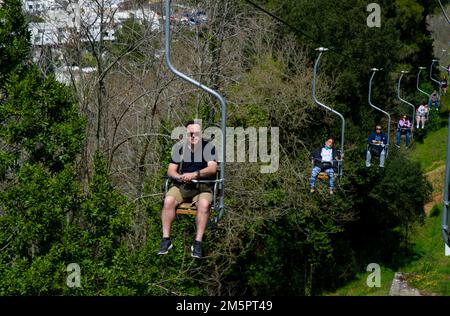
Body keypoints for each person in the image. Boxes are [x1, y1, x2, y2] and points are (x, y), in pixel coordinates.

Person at [157, 120, 218, 259]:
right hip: (183, 186)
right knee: (168, 201)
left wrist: (195, 174)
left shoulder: (208, 148)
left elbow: (212, 168)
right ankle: (166, 239)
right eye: (190, 133)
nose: (193, 136)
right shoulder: (180, 148)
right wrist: (179, 177)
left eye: (196, 133)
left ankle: (197, 242)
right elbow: (171, 170)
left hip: (202, 186)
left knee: (204, 204)